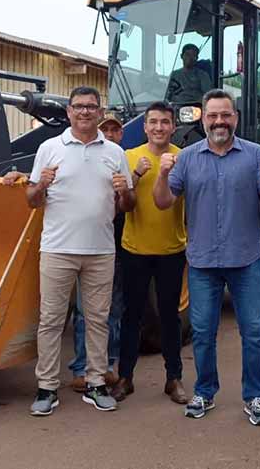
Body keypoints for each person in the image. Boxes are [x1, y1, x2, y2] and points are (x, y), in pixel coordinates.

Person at [153, 88, 260, 424]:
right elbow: (163, 202)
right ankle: (205, 391)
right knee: (202, 331)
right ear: (203, 118)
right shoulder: (187, 157)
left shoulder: (255, 155)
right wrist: (163, 173)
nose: (219, 121)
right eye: (212, 115)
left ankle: (255, 396)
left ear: (235, 118)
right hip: (202, 262)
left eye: (225, 115)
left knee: (254, 331)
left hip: (246, 259)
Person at [4, 86, 136, 416]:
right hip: (58, 248)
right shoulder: (50, 148)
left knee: (97, 320)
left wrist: (124, 193)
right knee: (50, 321)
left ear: (99, 111)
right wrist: (42, 184)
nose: (85, 112)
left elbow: (128, 206)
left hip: (101, 250)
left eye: (91, 107)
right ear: (69, 112)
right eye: (79, 106)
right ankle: (47, 388)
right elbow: (32, 200)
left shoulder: (114, 152)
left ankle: (95, 383)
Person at [111, 102, 189, 405]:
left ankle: (174, 379)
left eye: (165, 122)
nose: (159, 127)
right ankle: (125, 378)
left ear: (173, 126)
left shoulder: (183, 158)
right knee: (131, 316)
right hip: (135, 249)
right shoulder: (128, 157)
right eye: (153, 122)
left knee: (170, 318)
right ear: (145, 127)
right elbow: (122, 206)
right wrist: (135, 176)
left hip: (172, 249)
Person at [67, 112, 126, 391]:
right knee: (83, 311)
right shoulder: (81, 156)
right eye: (107, 129)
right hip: (86, 247)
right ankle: (82, 367)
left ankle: (107, 365)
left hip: (117, 248)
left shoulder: (119, 160)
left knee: (110, 311)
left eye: (115, 130)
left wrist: (127, 187)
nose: (111, 134)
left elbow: (131, 203)